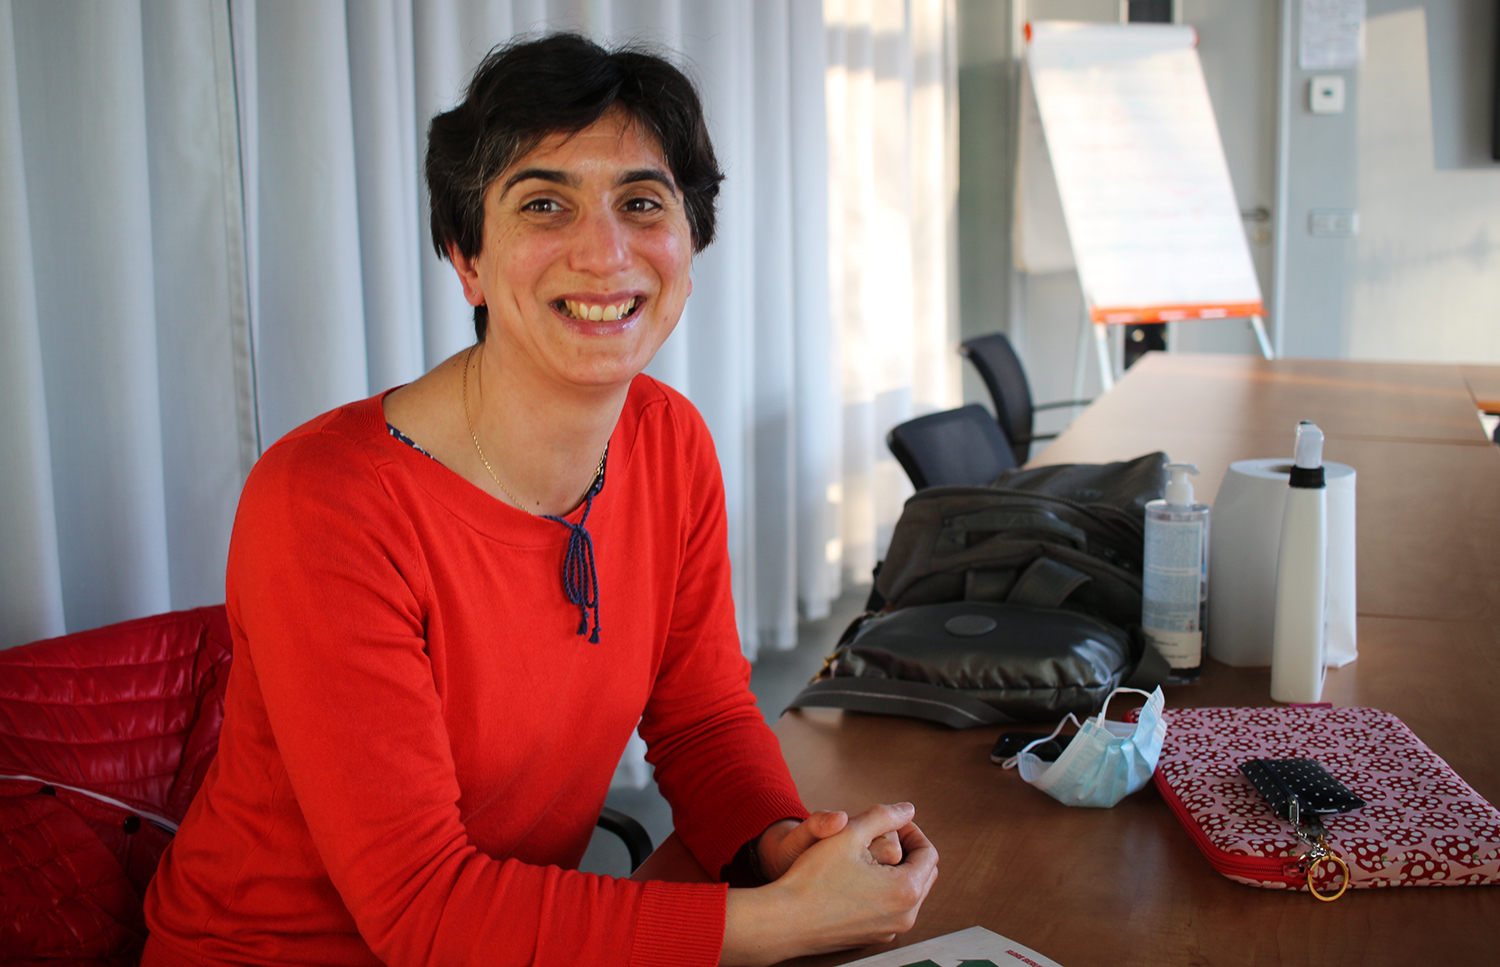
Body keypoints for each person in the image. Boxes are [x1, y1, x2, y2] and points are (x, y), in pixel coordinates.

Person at [142, 32, 937, 967]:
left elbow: (704, 716)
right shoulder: (326, 504)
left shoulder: (669, 439)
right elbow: (424, 911)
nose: (605, 254)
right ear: (467, 256)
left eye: (642, 203)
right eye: (544, 204)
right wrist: (781, 922)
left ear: (690, 242)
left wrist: (781, 846)